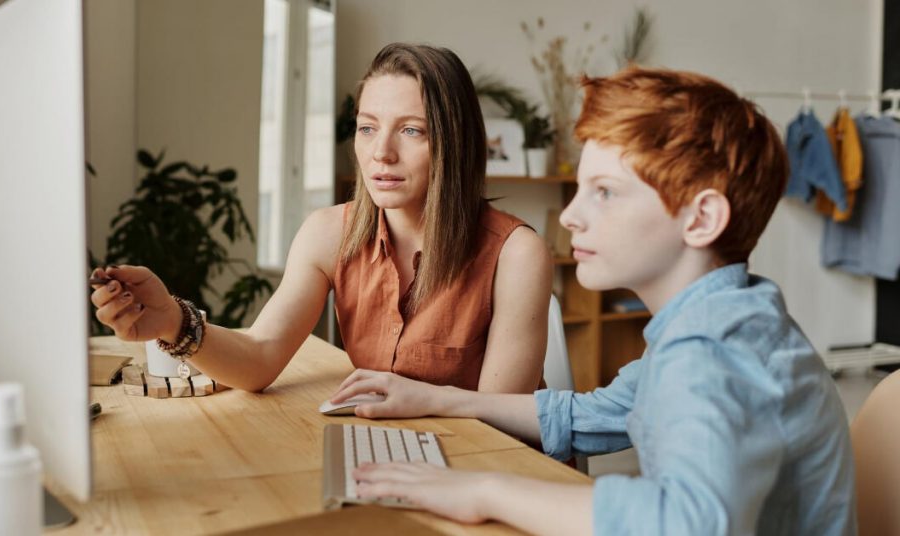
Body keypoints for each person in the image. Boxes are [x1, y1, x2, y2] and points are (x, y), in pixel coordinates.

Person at [332, 68, 856, 535]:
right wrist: (437, 399)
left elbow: (685, 522)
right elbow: (591, 415)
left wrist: (483, 492)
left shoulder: (713, 352)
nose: (570, 216)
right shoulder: (727, 319)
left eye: (603, 191)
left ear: (700, 220)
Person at [90, 43, 552, 394]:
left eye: (411, 130)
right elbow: (259, 358)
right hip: (395, 455)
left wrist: (411, 402)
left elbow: (500, 423)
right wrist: (173, 320)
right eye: (368, 127)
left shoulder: (516, 254)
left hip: (489, 473)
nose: (381, 153)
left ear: (455, 142)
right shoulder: (329, 233)